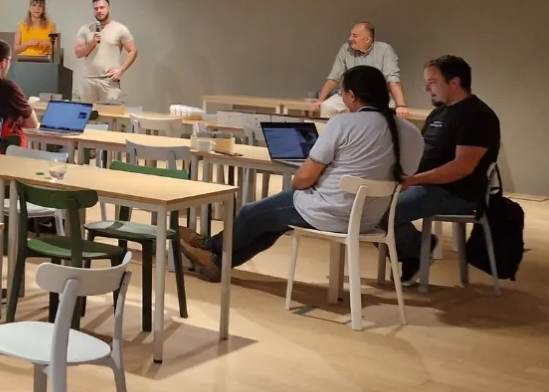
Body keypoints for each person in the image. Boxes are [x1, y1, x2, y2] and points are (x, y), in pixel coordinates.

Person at [179, 66, 423, 280]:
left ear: (351, 96)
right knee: (271, 222)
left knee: (252, 212)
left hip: (330, 210)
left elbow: (304, 178)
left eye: (341, 93)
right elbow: (405, 185)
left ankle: (211, 247)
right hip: (370, 219)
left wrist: (303, 186)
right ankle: (217, 261)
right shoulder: (411, 133)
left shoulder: (342, 123)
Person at [390, 55, 501, 282]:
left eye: (432, 81)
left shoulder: (477, 116)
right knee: (367, 205)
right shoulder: (439, 113)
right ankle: (416, 248)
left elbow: (461, 168)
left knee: (378, 212)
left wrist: (414, 179)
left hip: (457, 192)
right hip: (427, 184)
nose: (426, 88)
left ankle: (416, 251)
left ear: (454, 82)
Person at [312, 22, 410, 117]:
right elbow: (333, 77)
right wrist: (320, 100)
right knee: (328, 106)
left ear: (367, 39)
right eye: (350, 35)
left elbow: (393, 79)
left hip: (375, 97)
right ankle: (329, 134)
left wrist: (401, 105)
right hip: (349, 95)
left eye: (354, 36)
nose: (350, 39)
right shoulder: (345, 49)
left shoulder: (385, 50)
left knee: (382, 112)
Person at [72, 0, 136, 103]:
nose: (99, 11)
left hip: (108, 81)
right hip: (88, 80)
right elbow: (78, 53)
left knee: (109, 116)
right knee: (88, 116)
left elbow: (133, 50)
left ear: (109, 8)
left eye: (102, 7)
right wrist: (92, 43)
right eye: (96, 8)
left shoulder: (120, 29)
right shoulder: (85, 29)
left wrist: (121, 70)